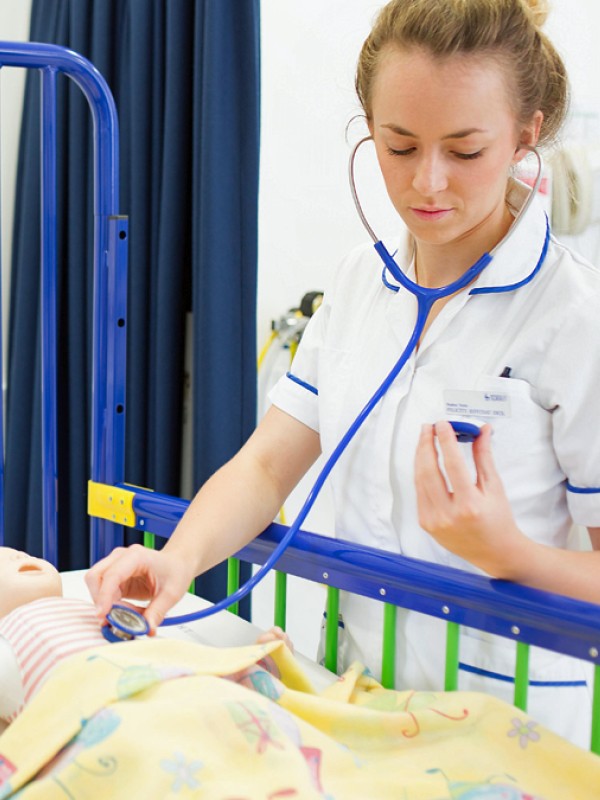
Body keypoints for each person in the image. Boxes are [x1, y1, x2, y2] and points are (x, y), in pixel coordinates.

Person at [86, 0, 600, 747]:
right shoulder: (363, 280)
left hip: (504, 725)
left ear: (526, 133)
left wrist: (507, 555)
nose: (428, 183)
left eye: (465, 151)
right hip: (355, 696)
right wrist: (177, 560)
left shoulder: (572, 316)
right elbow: (267, 464)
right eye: (399, 146)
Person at [0, 547, 291, 726]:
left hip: (169, 685)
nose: (17, 554)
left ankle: (257, 679)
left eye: (20, 552)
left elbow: (167, 654)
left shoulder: (94, 608)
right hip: (110, 720)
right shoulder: (7, 639)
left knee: (205, 684)